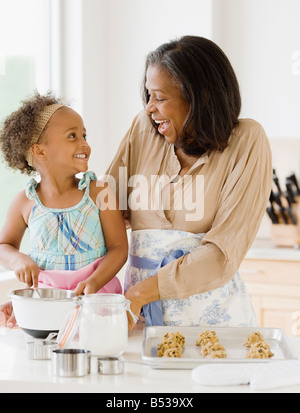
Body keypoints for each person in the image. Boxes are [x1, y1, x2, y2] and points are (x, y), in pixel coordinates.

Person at [105, 36, 273, 330]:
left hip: (213, 321)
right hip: (139, 319)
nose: (149, 108)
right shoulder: (142, 131)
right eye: (148, 96)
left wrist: (139, 294)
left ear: (201, 96)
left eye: (160, 97)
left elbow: (223, 253)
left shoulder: (248, 140)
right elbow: (100, 215)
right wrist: (51, 288)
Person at [0, 92, 128, 328]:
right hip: (46, 306)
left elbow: (119, 248)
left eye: (84, 135)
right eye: (72, 136)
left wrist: (95, 281)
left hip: (95, 300)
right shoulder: (24, 202)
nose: (84, 143)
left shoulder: (100, 193)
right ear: (39, 151)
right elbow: (3, 246)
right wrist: (18, 260)